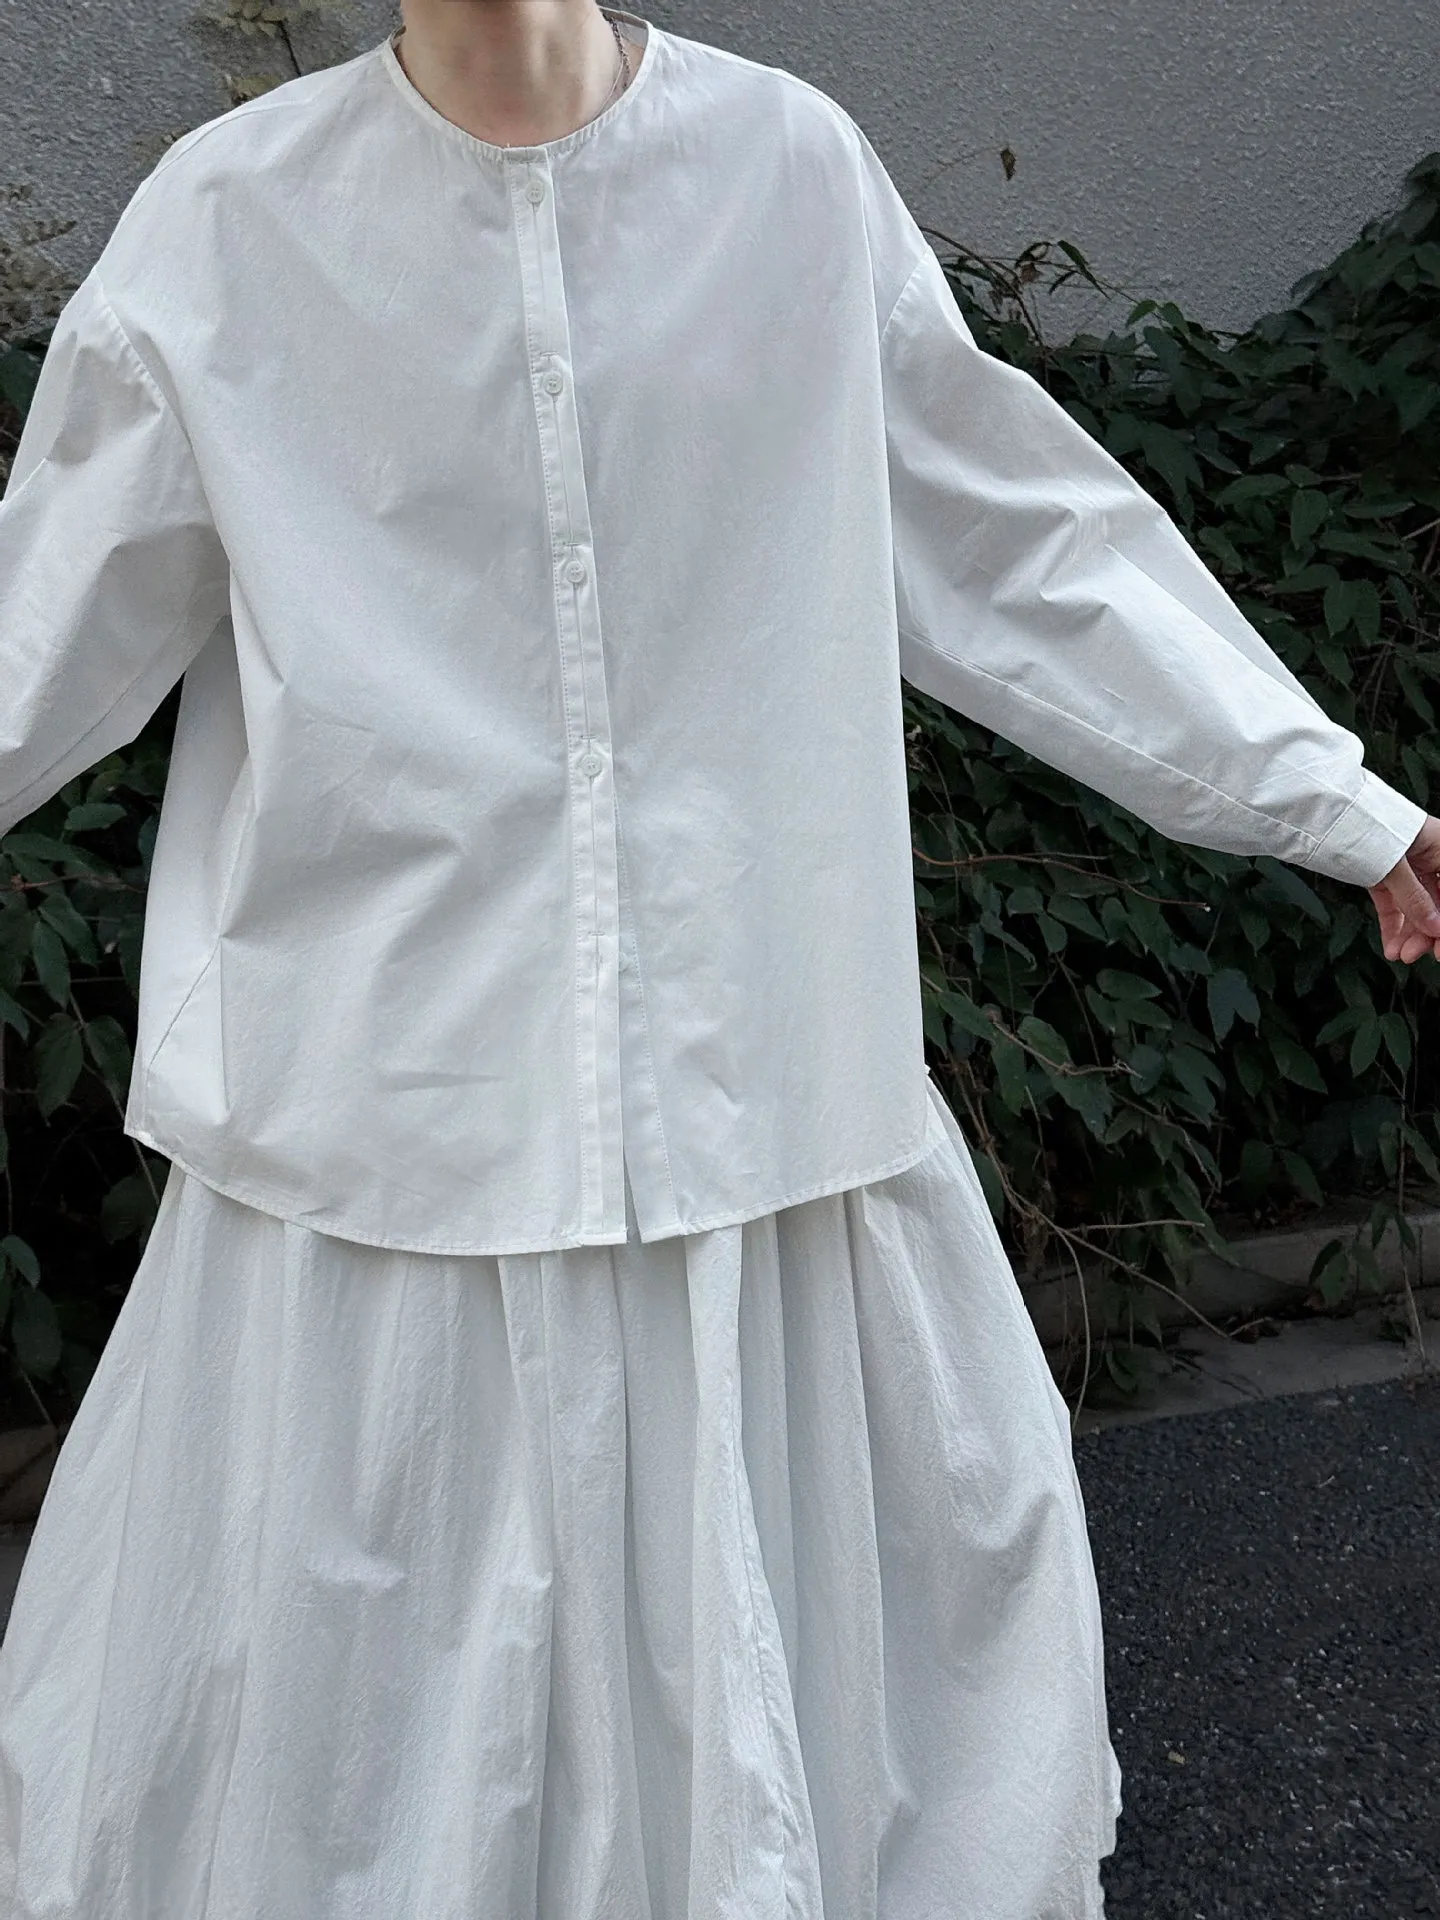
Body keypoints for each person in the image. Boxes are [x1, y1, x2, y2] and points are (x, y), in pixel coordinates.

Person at [0, 3, 1436, 1915]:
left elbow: (1012, 535)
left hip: (755, 1099)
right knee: (358, 1744)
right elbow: (44, 619)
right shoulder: (228, 225)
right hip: (378, 1144)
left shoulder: (786, 175)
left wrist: (1325, 794)